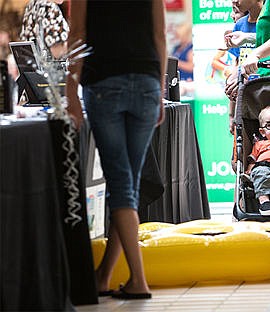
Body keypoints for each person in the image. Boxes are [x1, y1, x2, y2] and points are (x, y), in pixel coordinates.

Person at [66, 0, 167, 300]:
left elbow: (78, 35)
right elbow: (159, 36)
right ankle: (103, 276)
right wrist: (159, 91)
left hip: (103, 83)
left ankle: (139, 280)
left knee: (122, 187)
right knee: (128, 187)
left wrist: (70, 90)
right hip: (147, 82)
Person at [225, 0, 262, 134]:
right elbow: (237, 65)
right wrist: (231, 115)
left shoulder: (268, 23)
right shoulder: (240, 25)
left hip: (262, 93)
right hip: (243, 98)